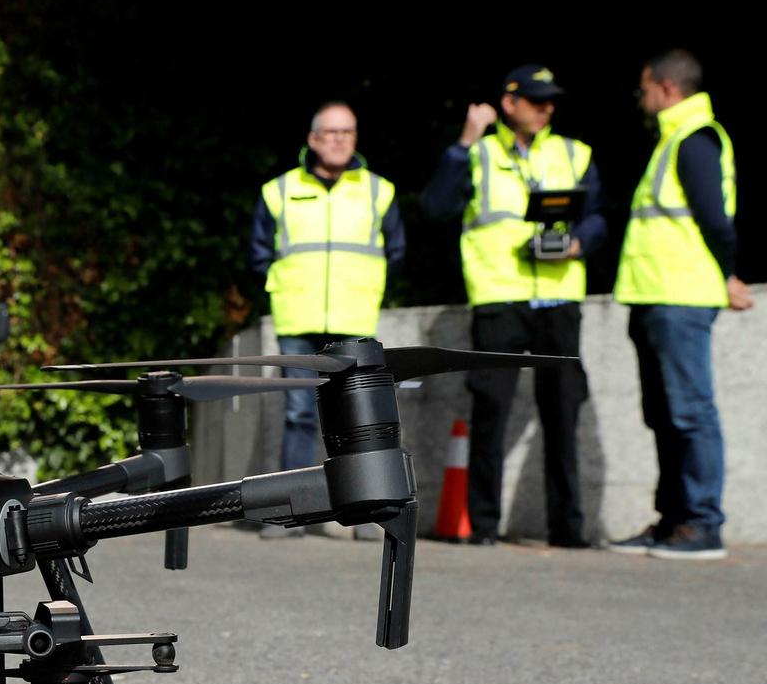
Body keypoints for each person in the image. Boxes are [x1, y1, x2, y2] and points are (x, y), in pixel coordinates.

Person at [424, 66, 607, 548]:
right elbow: (437, 206)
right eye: (536, 99)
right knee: (491, 410)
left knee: (563, 411)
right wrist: (465, 140)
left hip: (559, 296)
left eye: (551, 101)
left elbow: (598, 219)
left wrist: (579, 243)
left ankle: (567, 529)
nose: (547, 108)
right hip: (499, 296)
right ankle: (483, 526)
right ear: (509, 103)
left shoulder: (573, 152)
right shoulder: (478, 153)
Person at [607, 50, 751, 560]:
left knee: (689, 413)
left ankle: (702, 524)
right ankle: (672, 521)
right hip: (655, 295)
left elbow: (716, 221)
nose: (641, 98)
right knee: (664, 416)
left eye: (644, 88)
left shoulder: (694, 139)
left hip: (680, 297)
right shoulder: (673, 141)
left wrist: (728, 274)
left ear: (667, 88)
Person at [248, 101, 405, 538]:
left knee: (360, 418)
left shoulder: (379, 190)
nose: (338, 139)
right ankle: (291, 512)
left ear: (355, 138)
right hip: (297, 315)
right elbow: (259, 254)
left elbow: (396, 252)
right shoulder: (278, 190)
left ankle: (365, 514)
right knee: (298, 413)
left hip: (354, 317)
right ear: (312, 139)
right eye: (330, 132)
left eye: (347, 132)